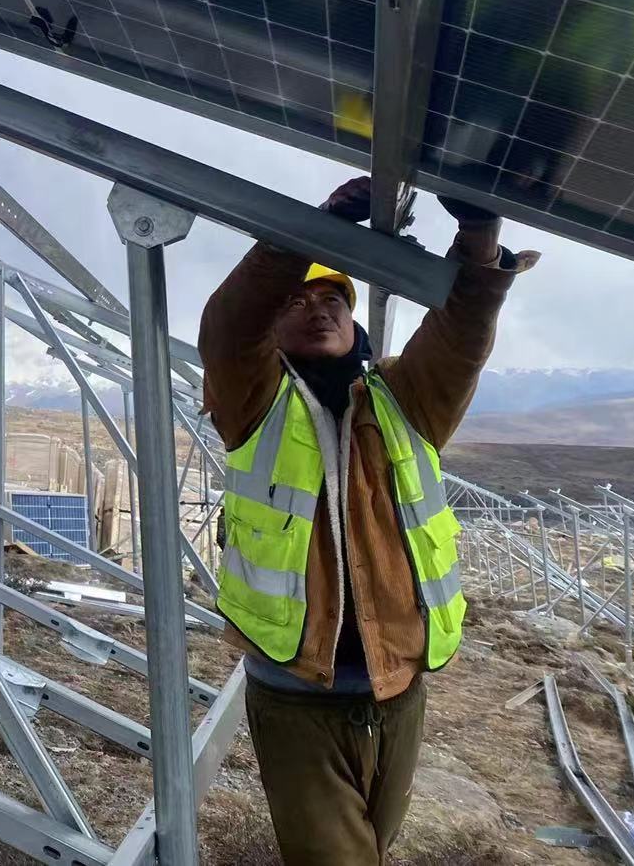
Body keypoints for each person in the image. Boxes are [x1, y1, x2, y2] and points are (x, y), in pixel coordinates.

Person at [199, 174, 535, 866]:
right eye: (297, 301)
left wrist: (478, 238)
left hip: (398, 690)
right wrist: (307, 232)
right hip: (297, 695)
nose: (318, 310)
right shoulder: (252, 398)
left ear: (355, 323)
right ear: (274, 322)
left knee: (373, 849)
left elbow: (461, 336)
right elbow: (229, 328)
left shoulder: (408, 398)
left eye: (333, 300)